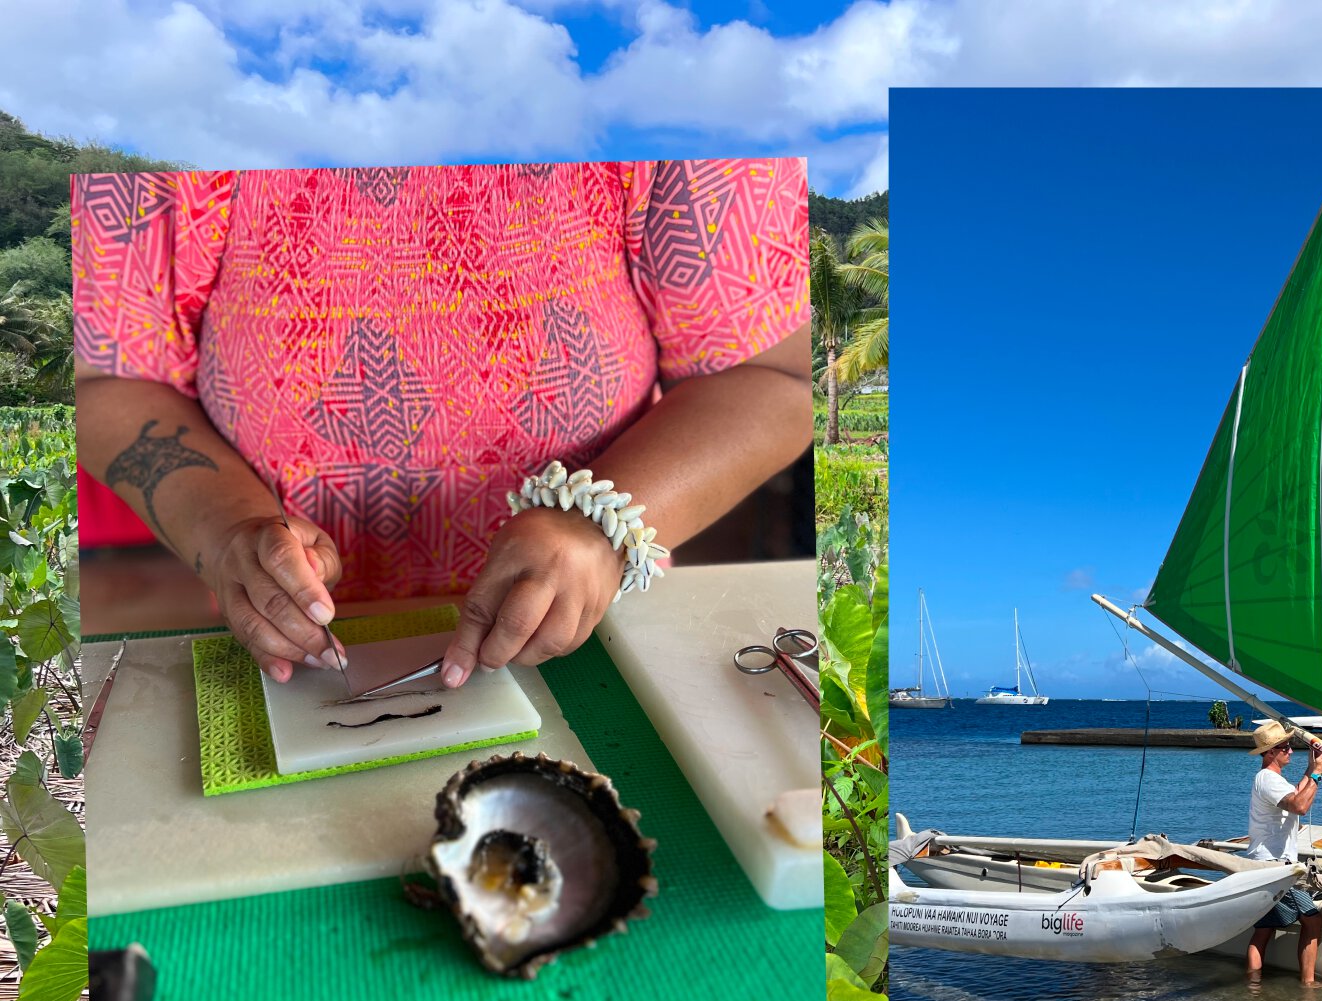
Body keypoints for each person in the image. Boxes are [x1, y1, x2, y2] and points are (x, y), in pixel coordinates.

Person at [72, 161, 810, 686]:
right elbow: (111, 378)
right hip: (297, 653)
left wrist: (596, 525)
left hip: (599, 641)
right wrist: (227, 533)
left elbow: (773, 378)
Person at [1243, 720, 1322, 985]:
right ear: (1270, 753)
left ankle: (1254, 986)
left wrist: (1311, 767)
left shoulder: (1271, 779)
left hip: (1266, 864)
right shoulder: (1268, 780)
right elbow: (1300, 806)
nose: (1290, 751)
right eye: (1285, 747)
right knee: (1312, 921)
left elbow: (1295, 794)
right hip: (1274, 867)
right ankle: (1308, 985)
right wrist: (1316, 774)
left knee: (1264, 929)